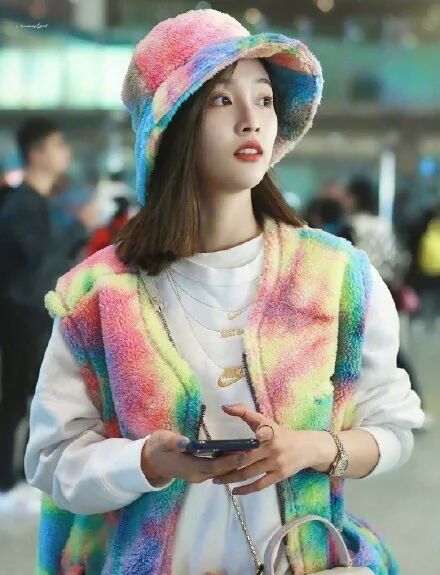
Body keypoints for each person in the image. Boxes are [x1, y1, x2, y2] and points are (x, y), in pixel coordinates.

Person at [24, 10, 424, 575]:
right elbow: (51, 461)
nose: (251, 120)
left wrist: (314, 448)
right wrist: (146, 461)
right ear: (172, 127)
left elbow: (395, 427)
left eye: (264, 99)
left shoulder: (334, 276)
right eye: (221, 100)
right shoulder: (99, 295)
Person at [0, 117, 97, 498]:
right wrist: (80, 227)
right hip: (22, 319)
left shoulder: (37, 203)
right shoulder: (22, 205)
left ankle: (17, 479)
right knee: (20, 400)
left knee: (24, 400)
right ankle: (10, 482)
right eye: (58, 145)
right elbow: (41, 268)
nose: (65, 152)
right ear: (37, 153)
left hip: (29, 317)